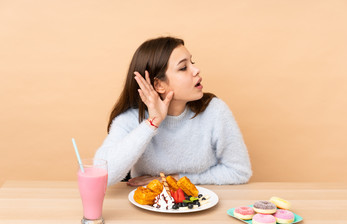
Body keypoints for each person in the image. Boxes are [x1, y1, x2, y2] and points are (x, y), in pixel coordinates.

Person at [94, 36, 252, 186]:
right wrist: (152, 124)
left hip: (200, 205)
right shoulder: (130, 119)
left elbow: (239, 172)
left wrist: (177, 180)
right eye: (183, 67)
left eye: (192, 62)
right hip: (147, 207)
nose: (196, 70)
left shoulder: (215, 111)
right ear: (159, 85)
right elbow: (102, 175)